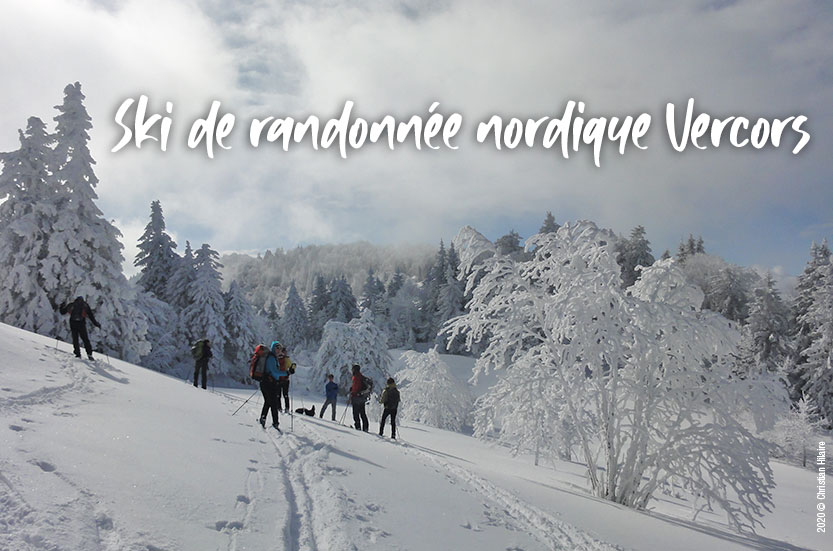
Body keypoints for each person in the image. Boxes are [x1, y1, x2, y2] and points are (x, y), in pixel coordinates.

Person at [259, 341, 284, 430]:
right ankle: (275, 423)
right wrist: (287, 373)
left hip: (267, 383)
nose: (279, 351)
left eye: (280, 349)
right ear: (274, 348)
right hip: (268, 384)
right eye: (277, 348)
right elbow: (275, 372)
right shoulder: (271, 358)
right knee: (273, 403)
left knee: (269, 402)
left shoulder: (273, 358)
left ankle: (263, 419)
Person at [349, 364, 369, 432]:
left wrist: (353, 391)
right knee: (362, 413)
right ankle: (365, 427)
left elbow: (356, 387)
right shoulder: (361, 377)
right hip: (362, 398)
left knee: (356, 413)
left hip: (356, 398)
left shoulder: (356, 377)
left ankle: (358, 427)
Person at [275, 344, 295, 412]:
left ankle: (279, 408)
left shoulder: (276, 358)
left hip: (278, 380)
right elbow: (291, 367)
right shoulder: (287, 359)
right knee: (285, 395)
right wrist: (292, 368)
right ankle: (287, 408)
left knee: (278, 395)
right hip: (285, 380)